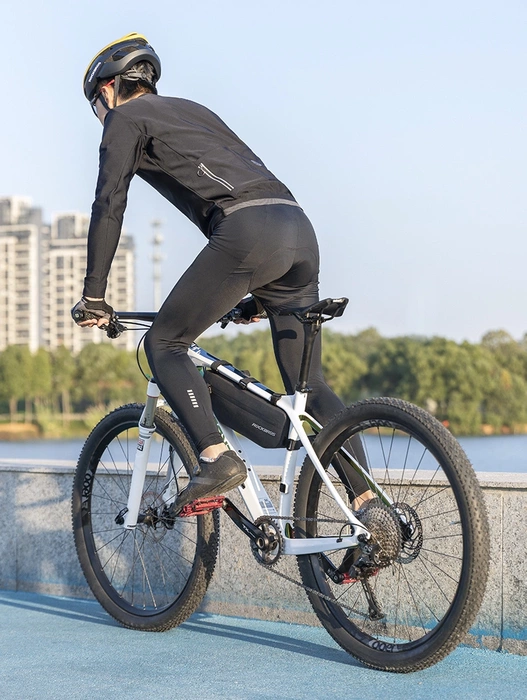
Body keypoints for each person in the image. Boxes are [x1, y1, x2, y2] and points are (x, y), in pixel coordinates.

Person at [72, 33, 372, 513]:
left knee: (164, 343)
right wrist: (258, 290)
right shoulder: (193, 110)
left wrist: (93, 296)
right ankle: (369, 507)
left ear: (108, 89)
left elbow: (109, 203)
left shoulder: (125, 118)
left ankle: (215, 457)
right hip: (297, 228)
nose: (99, 116)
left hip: (249, 231)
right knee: (310, 387)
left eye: (95, 106)